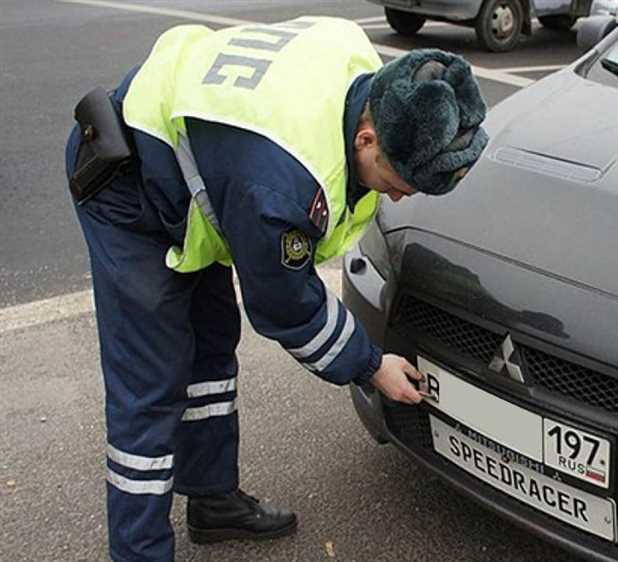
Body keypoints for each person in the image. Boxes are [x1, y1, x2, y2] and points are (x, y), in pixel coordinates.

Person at [63, 16, 488, 562]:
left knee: (212, 347)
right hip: (129, 191)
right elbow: (286, 304)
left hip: (202, 170)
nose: (398, 199)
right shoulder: (281, 187)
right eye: (395, 183)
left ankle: (212, 501)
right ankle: (138, 552)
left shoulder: (364, 73)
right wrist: (369, 363)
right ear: (366, 137)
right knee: (149, 387)